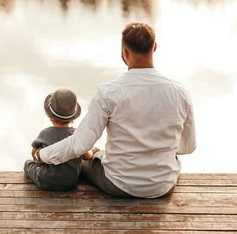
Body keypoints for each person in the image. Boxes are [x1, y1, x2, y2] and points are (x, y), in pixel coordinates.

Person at [32, 23, 196, 198]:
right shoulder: (180, 92)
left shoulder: (108, 93)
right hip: (163, 185)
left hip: (119, 184)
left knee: (87, 161)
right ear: (154, 47)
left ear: (124, 52)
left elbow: (80, 145)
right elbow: (188, 147)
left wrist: (40, 156)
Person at [24, 89, 99, 191]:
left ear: (49, 116)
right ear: (73, 118)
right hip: (71, 181)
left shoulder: (45, 134)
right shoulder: (77, 136)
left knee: (27, 164)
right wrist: (93, 150)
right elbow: (87, 156)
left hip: (46, 180)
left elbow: (35, 156)